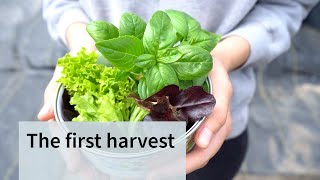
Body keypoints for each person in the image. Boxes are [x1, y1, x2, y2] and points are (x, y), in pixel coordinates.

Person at [39, 0, 319, 179]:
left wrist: (222, 56)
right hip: (104, 153)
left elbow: (286, 5)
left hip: (211, 128)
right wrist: (81, 39)